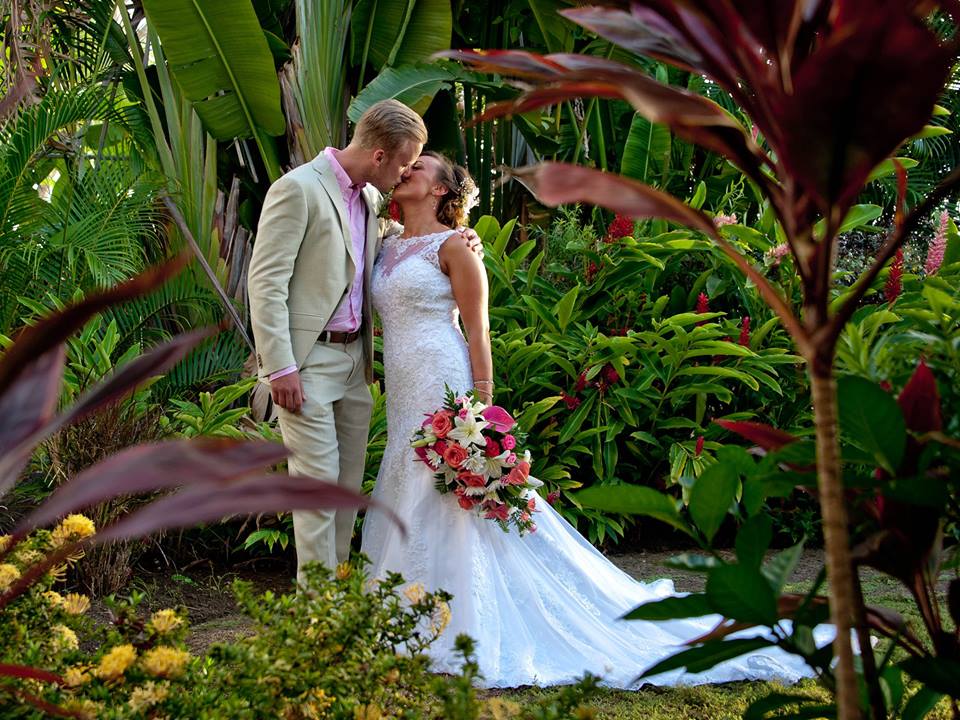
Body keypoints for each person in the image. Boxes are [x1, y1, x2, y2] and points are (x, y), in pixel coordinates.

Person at [361, 152, 827, 688]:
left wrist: (482, 409)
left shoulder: (456, 249)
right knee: (408, 478)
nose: (410, 168)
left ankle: (455, 621)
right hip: (401, 388)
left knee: (448, 491)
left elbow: (478, 332)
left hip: (444, 378)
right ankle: (404, 609)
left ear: (445, 190)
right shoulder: (387, 239)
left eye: (422, 165)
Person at [247, 101, 480, 583]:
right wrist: (280, 367)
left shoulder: (371, 202)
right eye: (402, 164)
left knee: (348, 487)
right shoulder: (298, 189)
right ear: (379, 156)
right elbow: (265, 283)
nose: (402, 176)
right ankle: (318, 619)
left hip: (357, 364)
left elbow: (408, 240)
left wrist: (463, 237)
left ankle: (336, 603)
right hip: (306, 363)